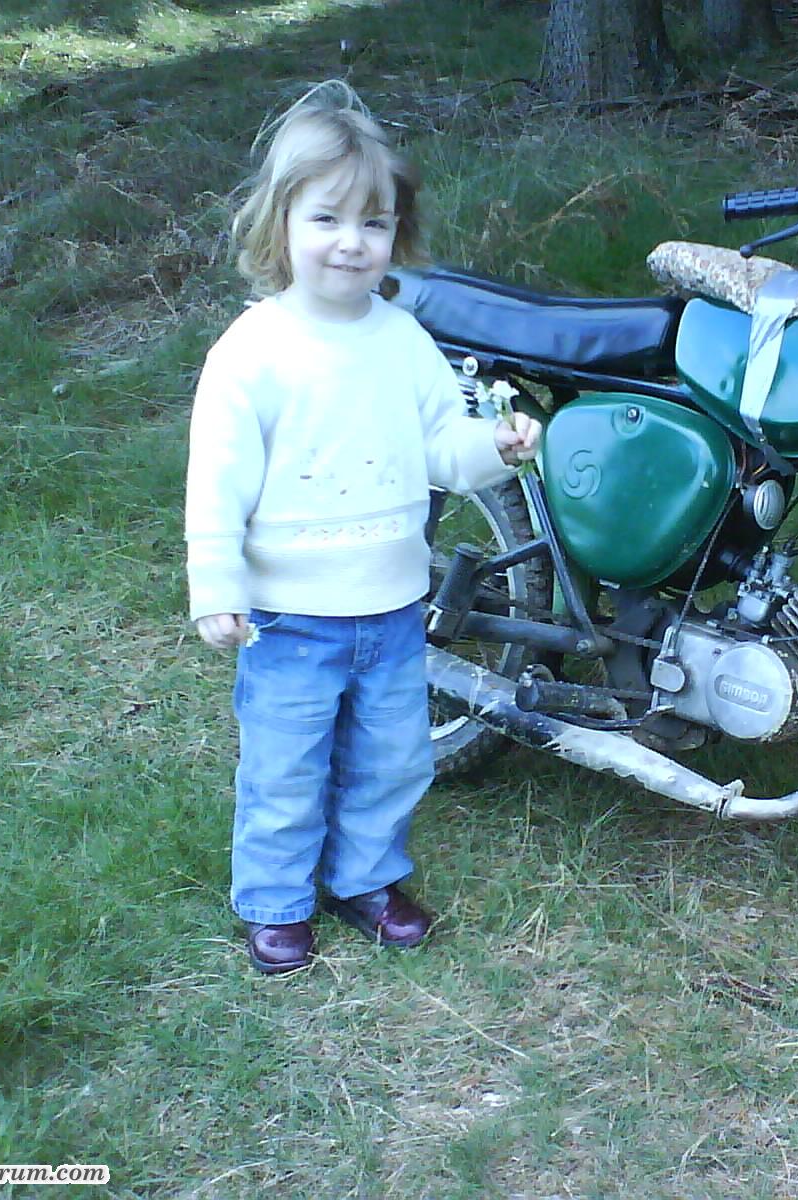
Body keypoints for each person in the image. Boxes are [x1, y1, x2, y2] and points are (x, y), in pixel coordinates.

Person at [185, 81, 540, 974]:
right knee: (287, 765)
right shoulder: (252, 352)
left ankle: (366, 879)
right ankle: (275, 898)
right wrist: (217, 586)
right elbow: (216, 483)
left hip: (391, 611)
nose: (352, 242)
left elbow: (443, 447)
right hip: (290, 618)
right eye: (327, 219)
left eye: (374, 223)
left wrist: (494, 447)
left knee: (392, 758)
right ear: (280, 224)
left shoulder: (402, 339)